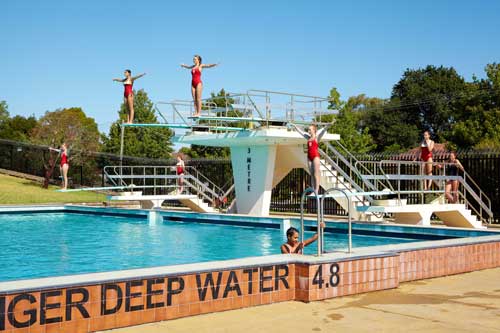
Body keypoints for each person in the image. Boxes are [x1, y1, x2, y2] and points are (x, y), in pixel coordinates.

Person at [290, 123, 332, 194]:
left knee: (316, 173)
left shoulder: (317, 137)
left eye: (310, 129)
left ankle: (317, 189)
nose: (308, 131)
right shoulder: (308, 138)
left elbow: (323, 131)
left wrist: (327, 126)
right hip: (309, 157)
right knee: (311, 174)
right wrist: (295, 127)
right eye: (308, 129)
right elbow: (301, 132)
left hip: (315, 156)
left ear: (314, 130)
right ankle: (313, 189)